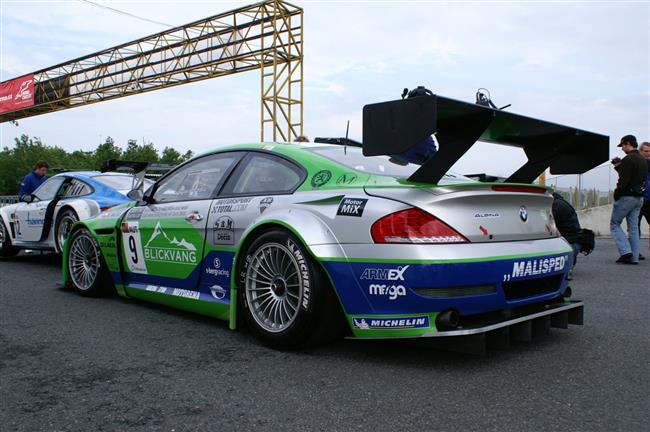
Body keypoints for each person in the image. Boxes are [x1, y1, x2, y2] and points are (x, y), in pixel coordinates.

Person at [610, 135, 647, 264]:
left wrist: (617, 194)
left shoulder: (628, 159)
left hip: (626, 197)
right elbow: (634, 177)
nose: (622, 148)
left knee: (614, 224)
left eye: (623, 145)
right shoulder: (642, 159)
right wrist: (619, 166)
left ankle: (626, 252)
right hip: (639, 198)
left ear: (627, 144)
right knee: (633, 228)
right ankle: (634, 257)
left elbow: (623, 181)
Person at [638, 141, 650, 258]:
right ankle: (636, 251)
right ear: (640, 151)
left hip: (648, 199)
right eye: (646, 151)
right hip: (637, 198)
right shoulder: (637, 162)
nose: (648, 153)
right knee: (635, 225)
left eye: (649, 151)